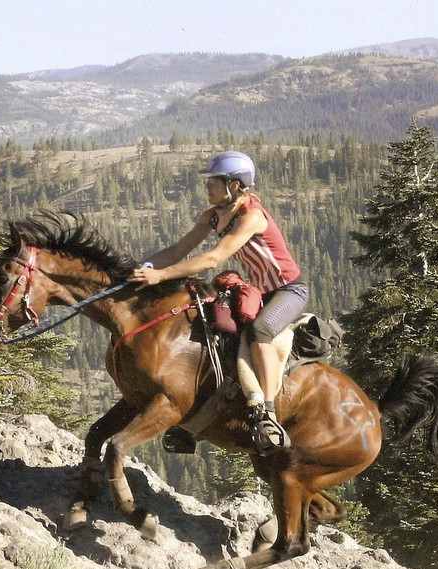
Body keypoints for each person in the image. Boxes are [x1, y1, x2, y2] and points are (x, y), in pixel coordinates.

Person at [130, 150, 308, 453]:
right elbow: (178, 249)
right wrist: (139, 269)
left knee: (260, 332)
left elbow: (212, 258)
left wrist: (160, 277)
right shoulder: (214, 215)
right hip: (261, 291)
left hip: (289, 291)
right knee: (214, 332)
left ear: (234, 185)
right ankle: (199, 416)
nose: (207, 186)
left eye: (214, 181)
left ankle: (267, 413)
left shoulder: (251, 217)